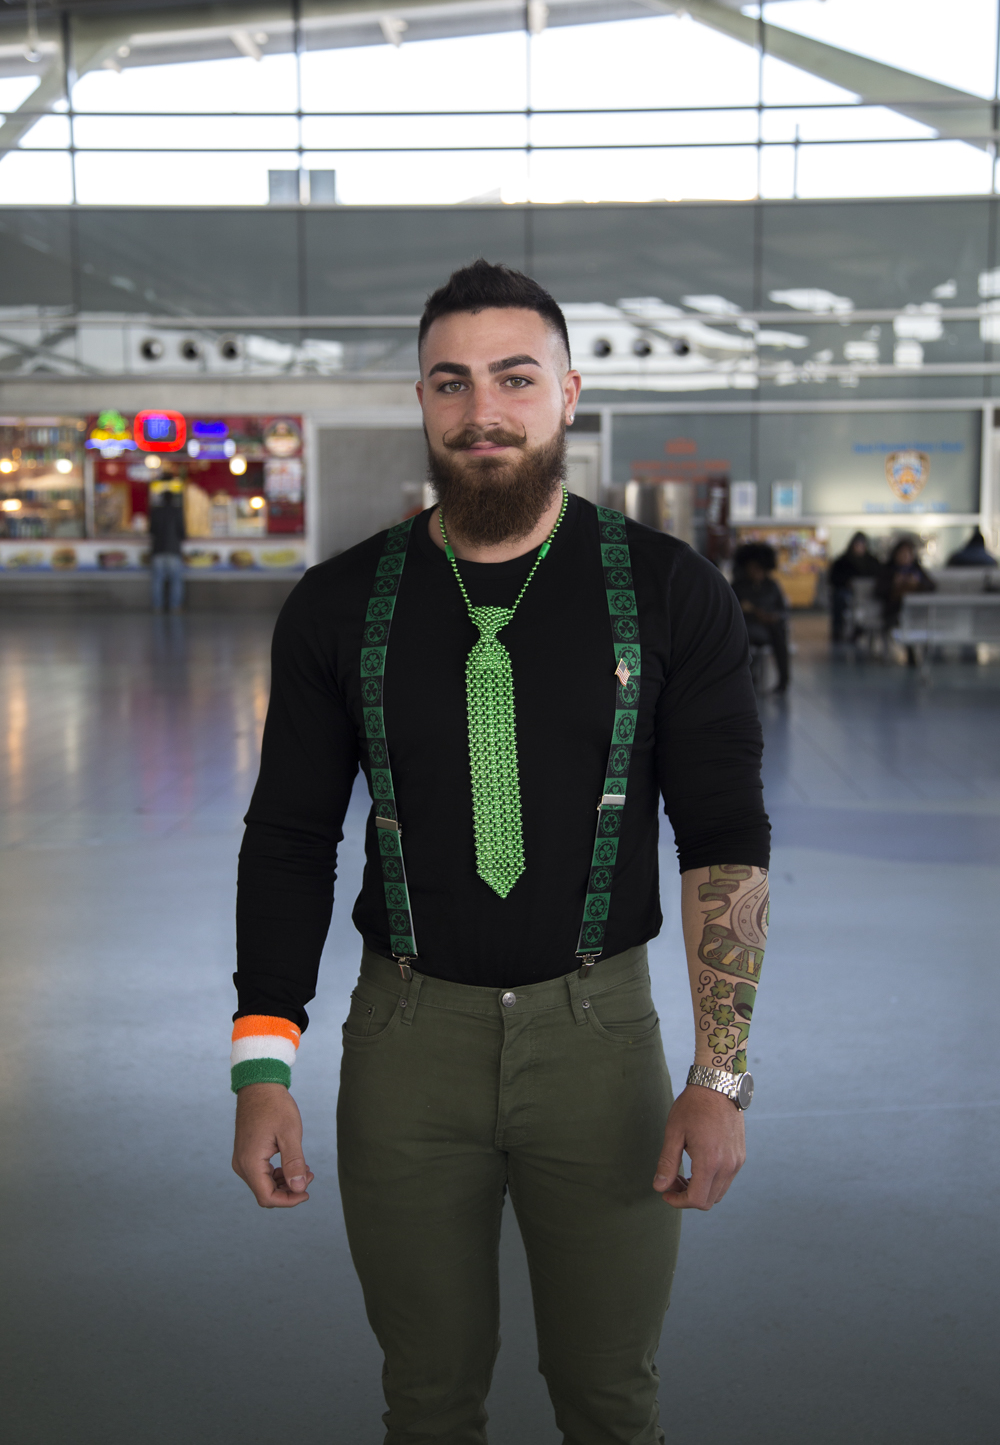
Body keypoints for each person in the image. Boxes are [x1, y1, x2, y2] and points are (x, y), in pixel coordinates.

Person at [230, 261, 771, 1445]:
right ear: (421, 402)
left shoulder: (671, 593)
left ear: (568, 393)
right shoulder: (335, 606)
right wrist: (260, 1069)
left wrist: (717, 1073)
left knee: (610, 1395)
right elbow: (287, 842)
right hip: (403, 1043)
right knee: (426, 1401)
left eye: (515, 378)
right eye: (452, 382)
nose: (484, 410)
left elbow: (723, 837)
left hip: (603, 1041)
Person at [731, 541, 790, 693]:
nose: (757, 572)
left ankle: (784, 679)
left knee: (780, 635)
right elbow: (734, 612)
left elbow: (782, 610)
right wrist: (755, 614)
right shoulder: (738, 587)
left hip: (771, 627)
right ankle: (749, 677)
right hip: (748, 627)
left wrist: (774, 617)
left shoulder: (772, 586)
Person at [875, 538, 935, 664]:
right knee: (903, 622)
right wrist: (894, 584)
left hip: (917, 612)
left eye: (908, 554)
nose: (905, 557)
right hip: (894, 612)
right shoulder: (888, 571)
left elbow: (931, 586)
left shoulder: (917, 571)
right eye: (902, 553)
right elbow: (878, 592)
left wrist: (918, 584)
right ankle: (910, 653)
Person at [828, 531, 882, 643]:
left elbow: (879, 576)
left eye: (862, 545)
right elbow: (834, 579)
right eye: (857, 545)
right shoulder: (842, 561)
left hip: (868, 595)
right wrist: (847, 583)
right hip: (847, 593)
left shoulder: (872, 561)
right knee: (840, 599)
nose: (859, 548)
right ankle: (838, 630)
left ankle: (860, 630)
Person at [148, 468, 186, 612]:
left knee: (157, 581)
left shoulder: (155, 512)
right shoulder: (177, 512)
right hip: (173, 550)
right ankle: (175, 606)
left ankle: (157, 606)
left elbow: (151, 531)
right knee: (176, 581)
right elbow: (182, 533)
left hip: (158, 550)